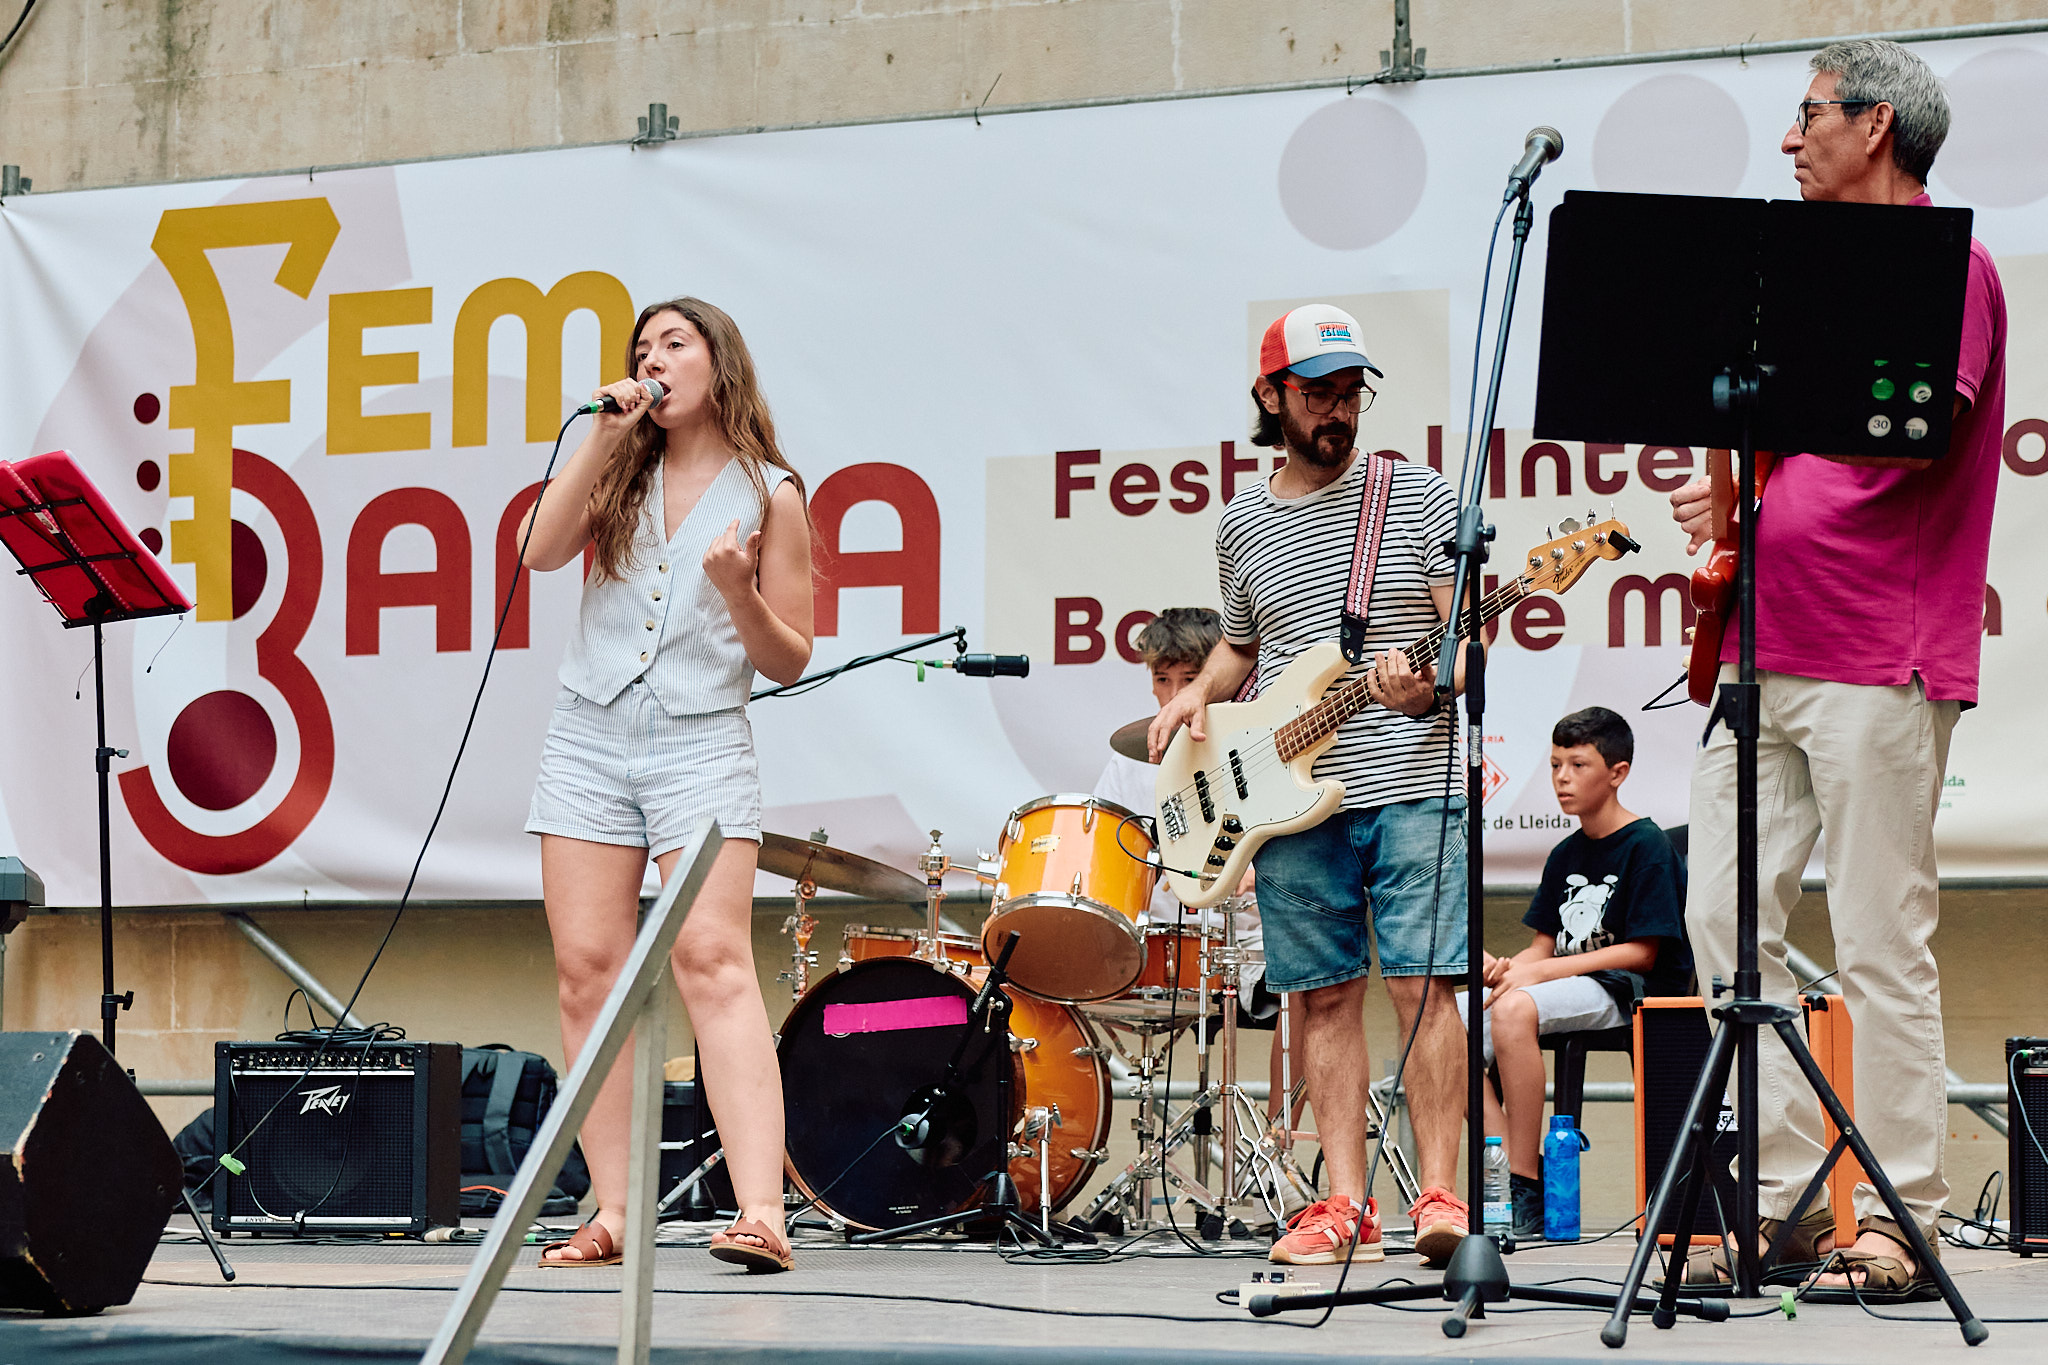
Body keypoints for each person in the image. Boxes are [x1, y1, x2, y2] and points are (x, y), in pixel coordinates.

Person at [1669, 39, 2007, 1294]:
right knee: (1718, 921)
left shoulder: (1947, 265)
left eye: (1807, 115)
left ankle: (1901, 1219)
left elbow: (1902, 435)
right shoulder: (1793, 275)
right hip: (1758, 651)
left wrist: (1769, 486)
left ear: (1873, 125)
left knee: (1878, 940)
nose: (1788, 137)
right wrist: (1735, 505)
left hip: (1880, 651)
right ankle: (1779, 1202)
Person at [1150, 304, 1470, 1267]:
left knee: (1421, 987)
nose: (1339, 408)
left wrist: (1435, 677)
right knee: (1322, 998)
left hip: (1411, 777)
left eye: (1351, 391)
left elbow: (1467, 634)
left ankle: (1441, 1194)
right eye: (1319, 391)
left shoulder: (1417, 496)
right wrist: (1193, 702)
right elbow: (1243, 648)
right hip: (1284, 796)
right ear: (1271, 395)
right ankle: (1342, 1202)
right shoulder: (1242, 522)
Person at [518, 297, 814, 1273]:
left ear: (718, 363)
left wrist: (738, 591)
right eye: (641, 348)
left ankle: (762, 1210)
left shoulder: (772, 492)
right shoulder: (617, 463)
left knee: (712, 962)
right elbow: (536, 550)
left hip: (700, 746)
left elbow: (789, 657)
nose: (651, 359)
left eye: (671, 344)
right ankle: (613, 1210)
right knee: (586, 974)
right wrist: (602, 434)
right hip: (589, 737)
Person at [1456, 707, 1688, 1238]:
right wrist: (1509, 968)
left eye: (1578, 765)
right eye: (1556, 764)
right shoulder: (1564, 852)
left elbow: (1644, 954)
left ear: (1617, 773)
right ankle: (1510, 1171)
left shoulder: (1647, 846)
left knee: (1515, 1008)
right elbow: (1545, 945)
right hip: (1572, 980)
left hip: (1629, 990)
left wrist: (1538, 977)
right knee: (1449, 1019)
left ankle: (1522, 1179)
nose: (1562, 778)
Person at [1092, 607, 1302, 1128]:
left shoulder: (1259, 745)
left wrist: (1252, 875)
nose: (1174, 694)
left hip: (1246, 944)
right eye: (1162, 680)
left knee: (1306, 987)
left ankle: (1279, 1141)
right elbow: (1106, 853)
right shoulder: (1129, 760)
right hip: (1157, 946)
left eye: (1190, 679)